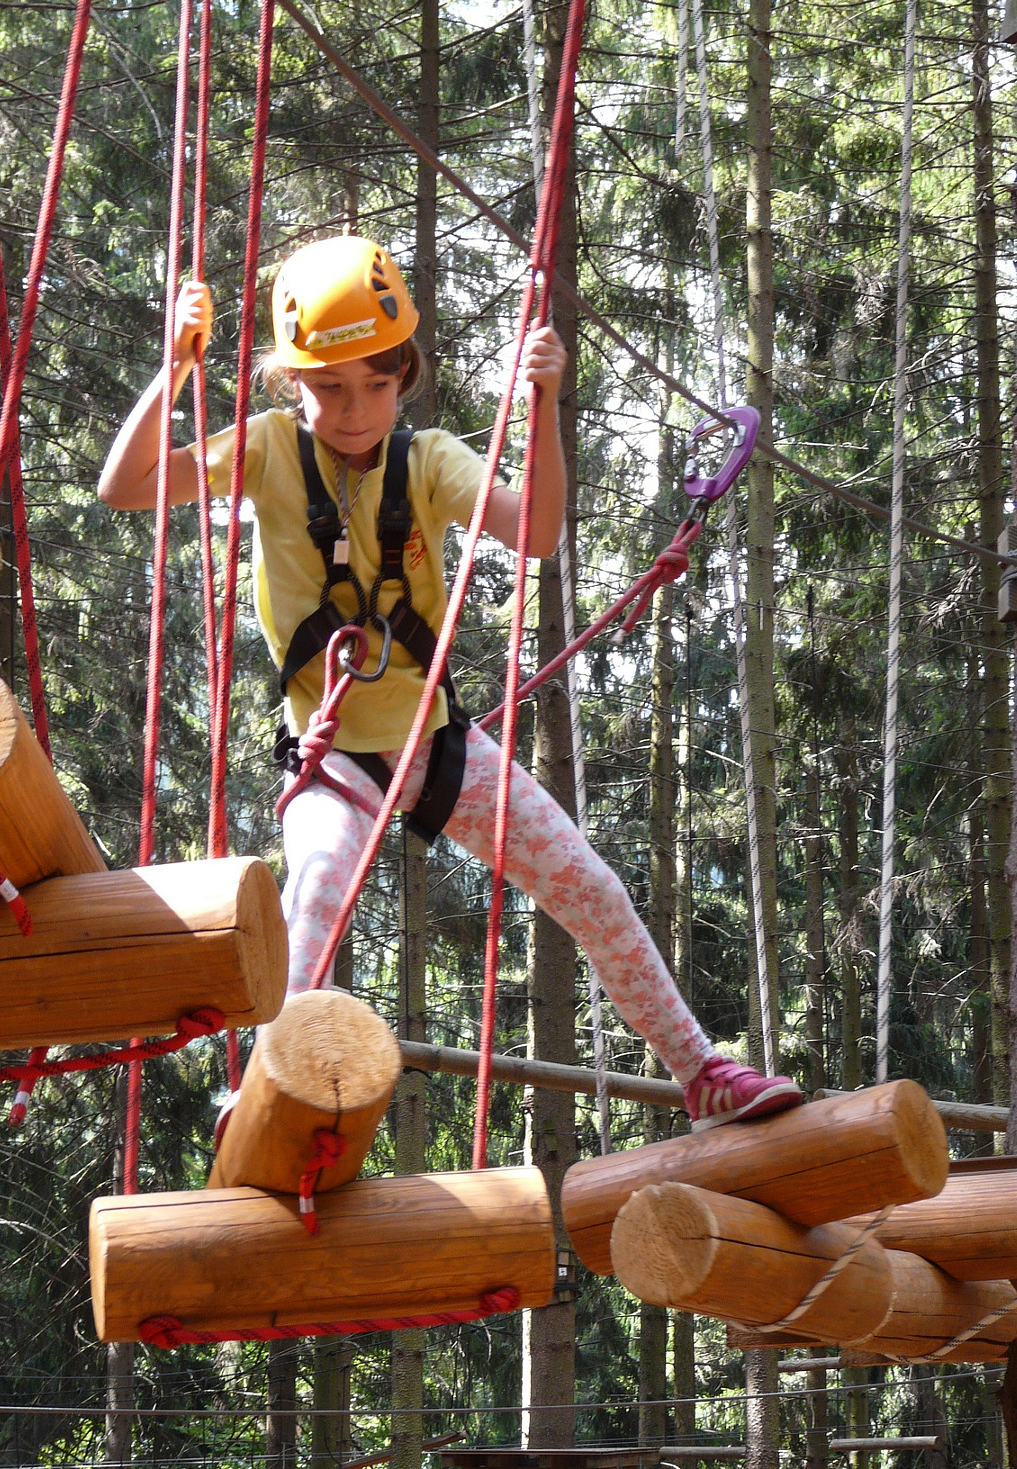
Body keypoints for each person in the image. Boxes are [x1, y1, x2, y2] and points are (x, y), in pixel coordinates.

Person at [98, 233, 804, 1132]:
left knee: (591, 886)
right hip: (334, 758)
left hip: (438, 745)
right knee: (311, 893)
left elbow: (539, 530)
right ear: (292, 382)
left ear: (406, 377)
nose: (355, 409)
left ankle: (702, 1074)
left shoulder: (429, 460)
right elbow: (126, 486)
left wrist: (541, 404)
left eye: (377, 385)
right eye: (329, 387)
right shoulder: (269, 450)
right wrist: (174, 369)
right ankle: (264, 1090)